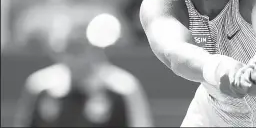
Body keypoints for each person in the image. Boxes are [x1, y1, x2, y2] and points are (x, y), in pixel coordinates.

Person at [14, 10, 153, 127]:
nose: (73, 57)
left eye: (79, 49)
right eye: (68, 49)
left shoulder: (123, 88)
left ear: (96, 49)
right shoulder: (40, 87)